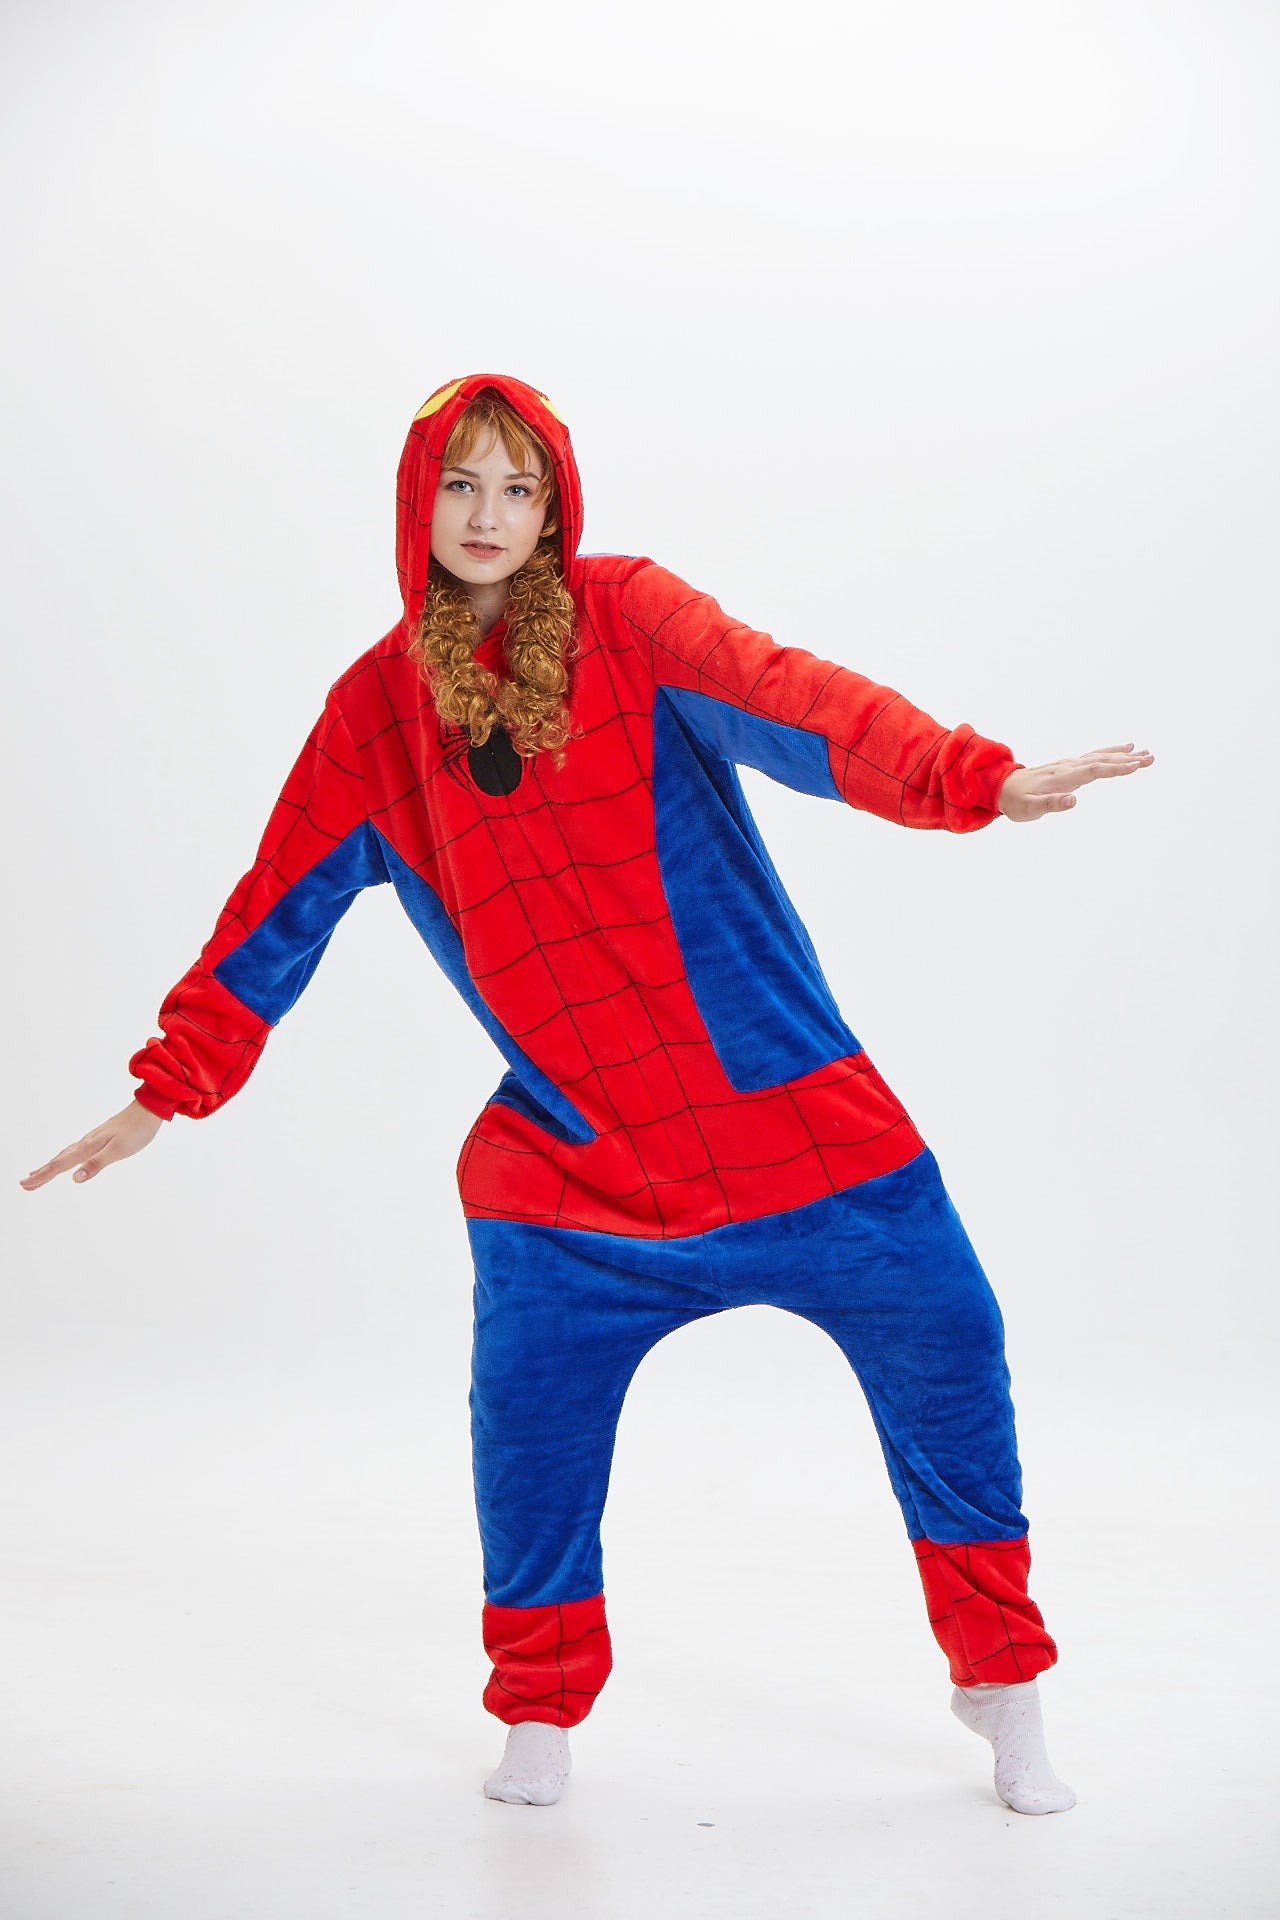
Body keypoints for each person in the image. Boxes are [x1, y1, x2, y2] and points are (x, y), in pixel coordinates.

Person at [21, 372, 1153, 1813]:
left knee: (953, 1340)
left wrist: (974, 780)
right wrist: (165, 1092)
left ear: (556, 506)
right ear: (415, 500)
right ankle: (539, 1708)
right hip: (578, 1177)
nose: (487, 515)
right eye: (459, 483)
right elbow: (274, 911)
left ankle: (1002, 1686)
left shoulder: (631, 616)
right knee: (527, 1425)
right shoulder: (376, 714)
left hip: (797, 1132)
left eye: (519, 487)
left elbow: (803, 702)